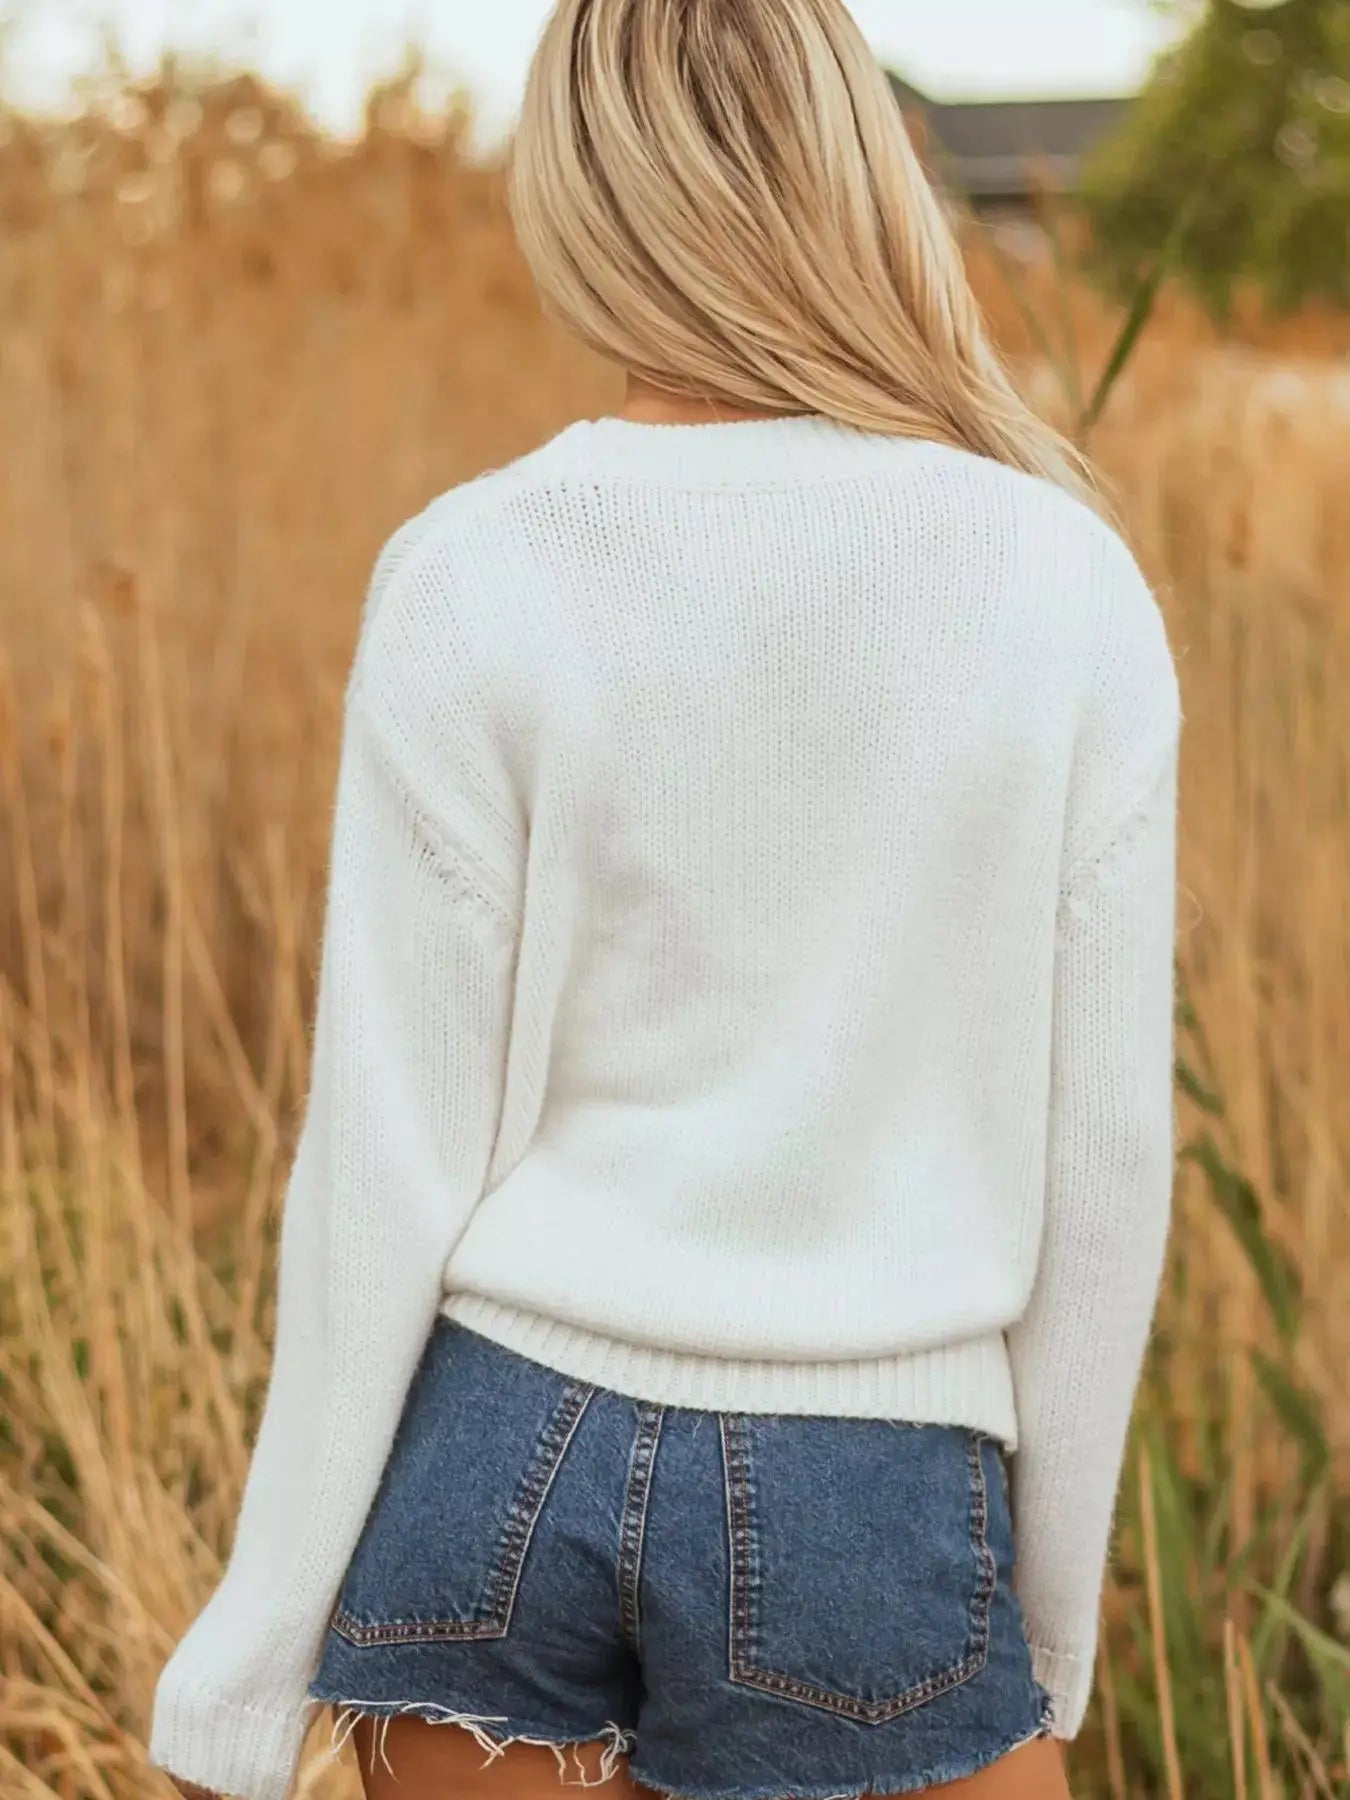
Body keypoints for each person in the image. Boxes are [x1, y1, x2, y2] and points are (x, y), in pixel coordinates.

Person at [148, 0, 1183, 1796]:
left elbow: (383, 1153)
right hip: (879, 1481)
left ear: (581, 190)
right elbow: (1101, 1177)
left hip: (491, 1461)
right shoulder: (1059, 583)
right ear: (859, 171)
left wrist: (248, 1661)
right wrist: (1049, 1622)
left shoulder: (471, 569)